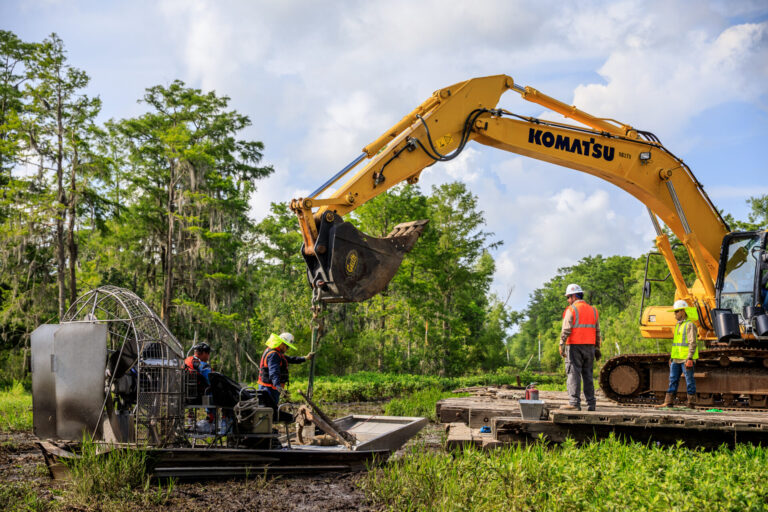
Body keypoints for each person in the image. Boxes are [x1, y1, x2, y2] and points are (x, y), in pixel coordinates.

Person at [559, 283, 601, 411]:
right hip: (590, 347)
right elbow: (597, 331)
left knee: (573, 374)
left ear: (574, 296)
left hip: (574, 346)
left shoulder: (571, 310)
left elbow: (566, 329)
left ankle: (574, 403)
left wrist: (561, 344)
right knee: (588, 375)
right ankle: (591, 404)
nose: (568, 300)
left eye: (568, 297)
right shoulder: (593, 310)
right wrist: (597, 347)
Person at [657, 300, 698, 409]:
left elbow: (692, 342)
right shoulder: (678, 325)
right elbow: (676, 343)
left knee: (689, 381)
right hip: (676, 359)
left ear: (683, 311)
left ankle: (691, 403)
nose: (675, 314)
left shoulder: (690, 325)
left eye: (677, 311)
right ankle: (668, 402)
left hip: (686, 359)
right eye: (674, 312)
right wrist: (672, 357)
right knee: (673, 380)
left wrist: (690, 358)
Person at [257, 332, 314, 409]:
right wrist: (278, 386)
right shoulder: (274, 354)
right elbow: (273, 372)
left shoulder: (274, 352)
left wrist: (305, 358)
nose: (287, 349)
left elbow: (290, 359)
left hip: (269, 387)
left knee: (269, 410)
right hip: (269, 389)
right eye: (287, 347)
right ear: (281, 343)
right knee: (269, 410)